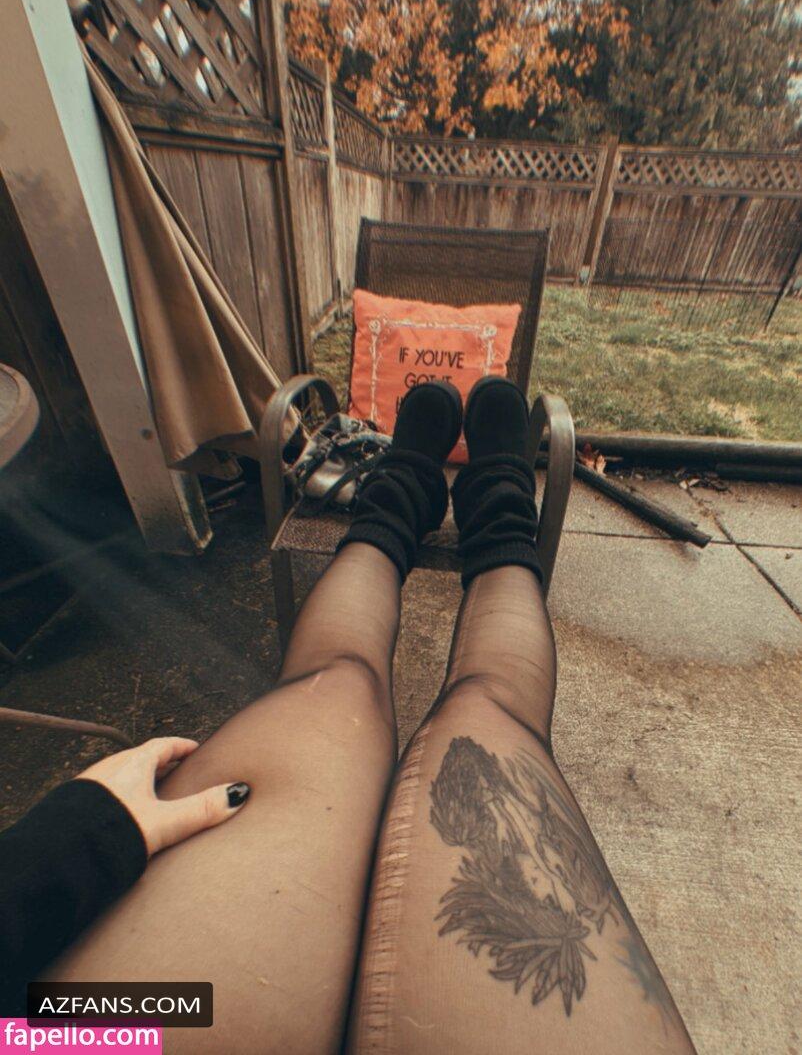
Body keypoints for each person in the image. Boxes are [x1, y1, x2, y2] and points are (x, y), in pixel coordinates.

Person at [0, 378, 696, 1054]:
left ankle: (399, 499)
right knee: (490, 707)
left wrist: (64, 847)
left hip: (66, 1032)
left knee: (336, 684)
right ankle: (497, 506)